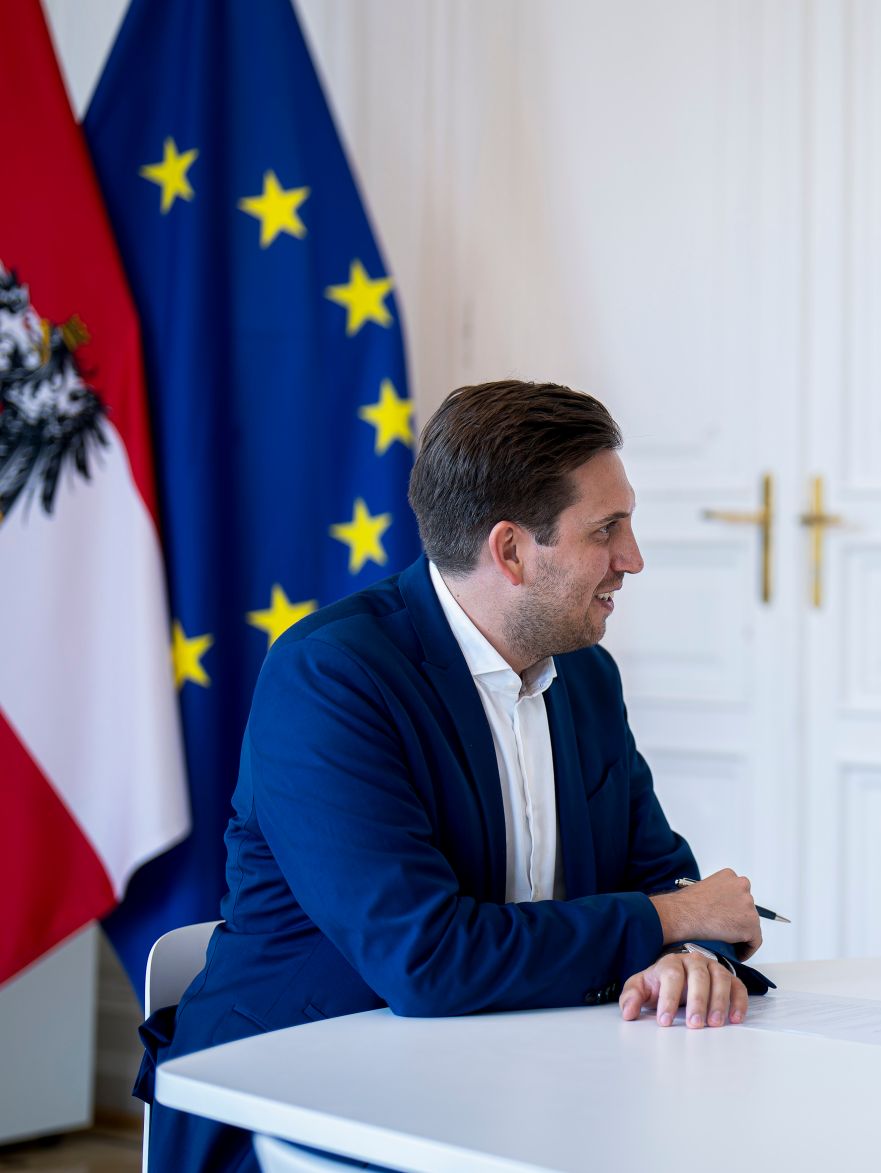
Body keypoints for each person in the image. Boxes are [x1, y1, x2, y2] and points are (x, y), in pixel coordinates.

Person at [139, 380, 770, 1169]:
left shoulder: (587, 678)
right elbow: (429, 961)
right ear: (509, 550)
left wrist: (695, 957)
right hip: (304, 1109)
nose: (632, 559)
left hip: (515, 1086)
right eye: (606, 529)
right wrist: (670, 921)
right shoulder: (330, 678)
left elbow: (662, 879)